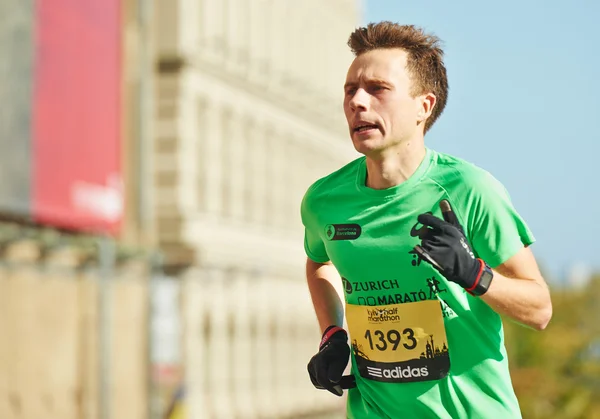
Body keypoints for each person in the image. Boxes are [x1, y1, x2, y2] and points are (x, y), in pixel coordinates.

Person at [301, 22, 552, 419]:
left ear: (424, 106)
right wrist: (332, 334)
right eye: (350, 90)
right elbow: (320, 260)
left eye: (377, 89)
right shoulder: (325, 201)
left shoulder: (469, 189)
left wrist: (474, 274)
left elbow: (539, 310)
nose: (357, 102)